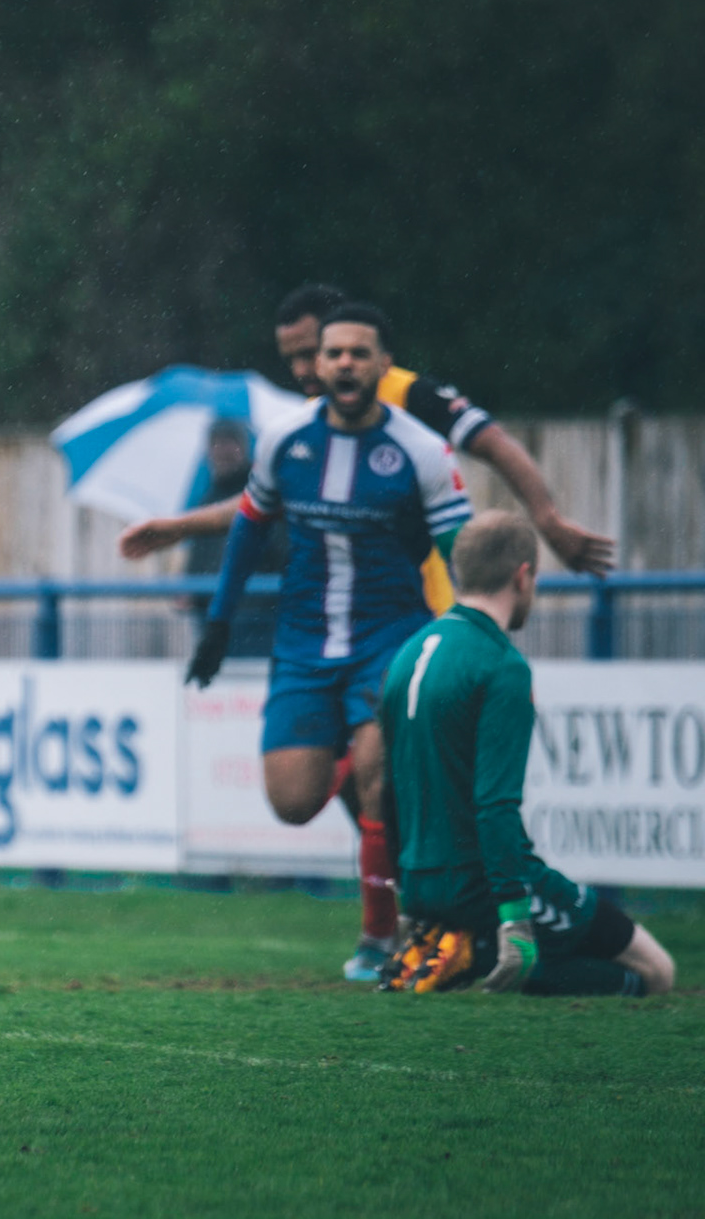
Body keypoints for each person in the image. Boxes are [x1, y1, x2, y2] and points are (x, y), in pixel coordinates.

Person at [186, 303, 472, 982]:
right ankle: (355, 762)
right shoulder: (285, 441)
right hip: (304, 644)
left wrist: (475, 628)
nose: (343, 363)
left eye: (357, 352)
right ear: (321, 365)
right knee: (292, 801)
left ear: (381, 364)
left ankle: (382, 934)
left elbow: (462, 548)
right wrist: (219, 624)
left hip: (389, 636)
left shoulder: (423, 451)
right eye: (333, 353)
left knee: (382, 787)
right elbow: (249, 528)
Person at [118, 283, 612, 583]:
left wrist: (547, 520)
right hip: (342, 621)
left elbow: (496, 444)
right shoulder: (310, 422)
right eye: (290, 357)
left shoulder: (409, 396)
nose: (302, 368)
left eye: (311, 352)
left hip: (417, 610)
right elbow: (260, 503)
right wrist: (175, 527)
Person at [377, 512, 674, 996]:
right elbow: (495, 807)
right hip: (482, 887)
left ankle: (468, 948)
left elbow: (387, 792)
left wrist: (409, 901)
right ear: (524, 574)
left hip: (422, 882)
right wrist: (513, 918)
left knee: (583, 958)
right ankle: (482, 951)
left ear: (458, 572)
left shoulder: (407, 653)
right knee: (656, 971)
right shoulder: (501, 665)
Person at [181, 418, 284, 658]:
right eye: (216, 444)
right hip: (214, 621)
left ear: (244, 447)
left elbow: (277, 552)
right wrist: (190, 590)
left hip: (257, 621)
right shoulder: (207, 498)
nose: (223, 451)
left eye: (230, 443)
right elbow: (201, 555)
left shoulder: (262, 495)